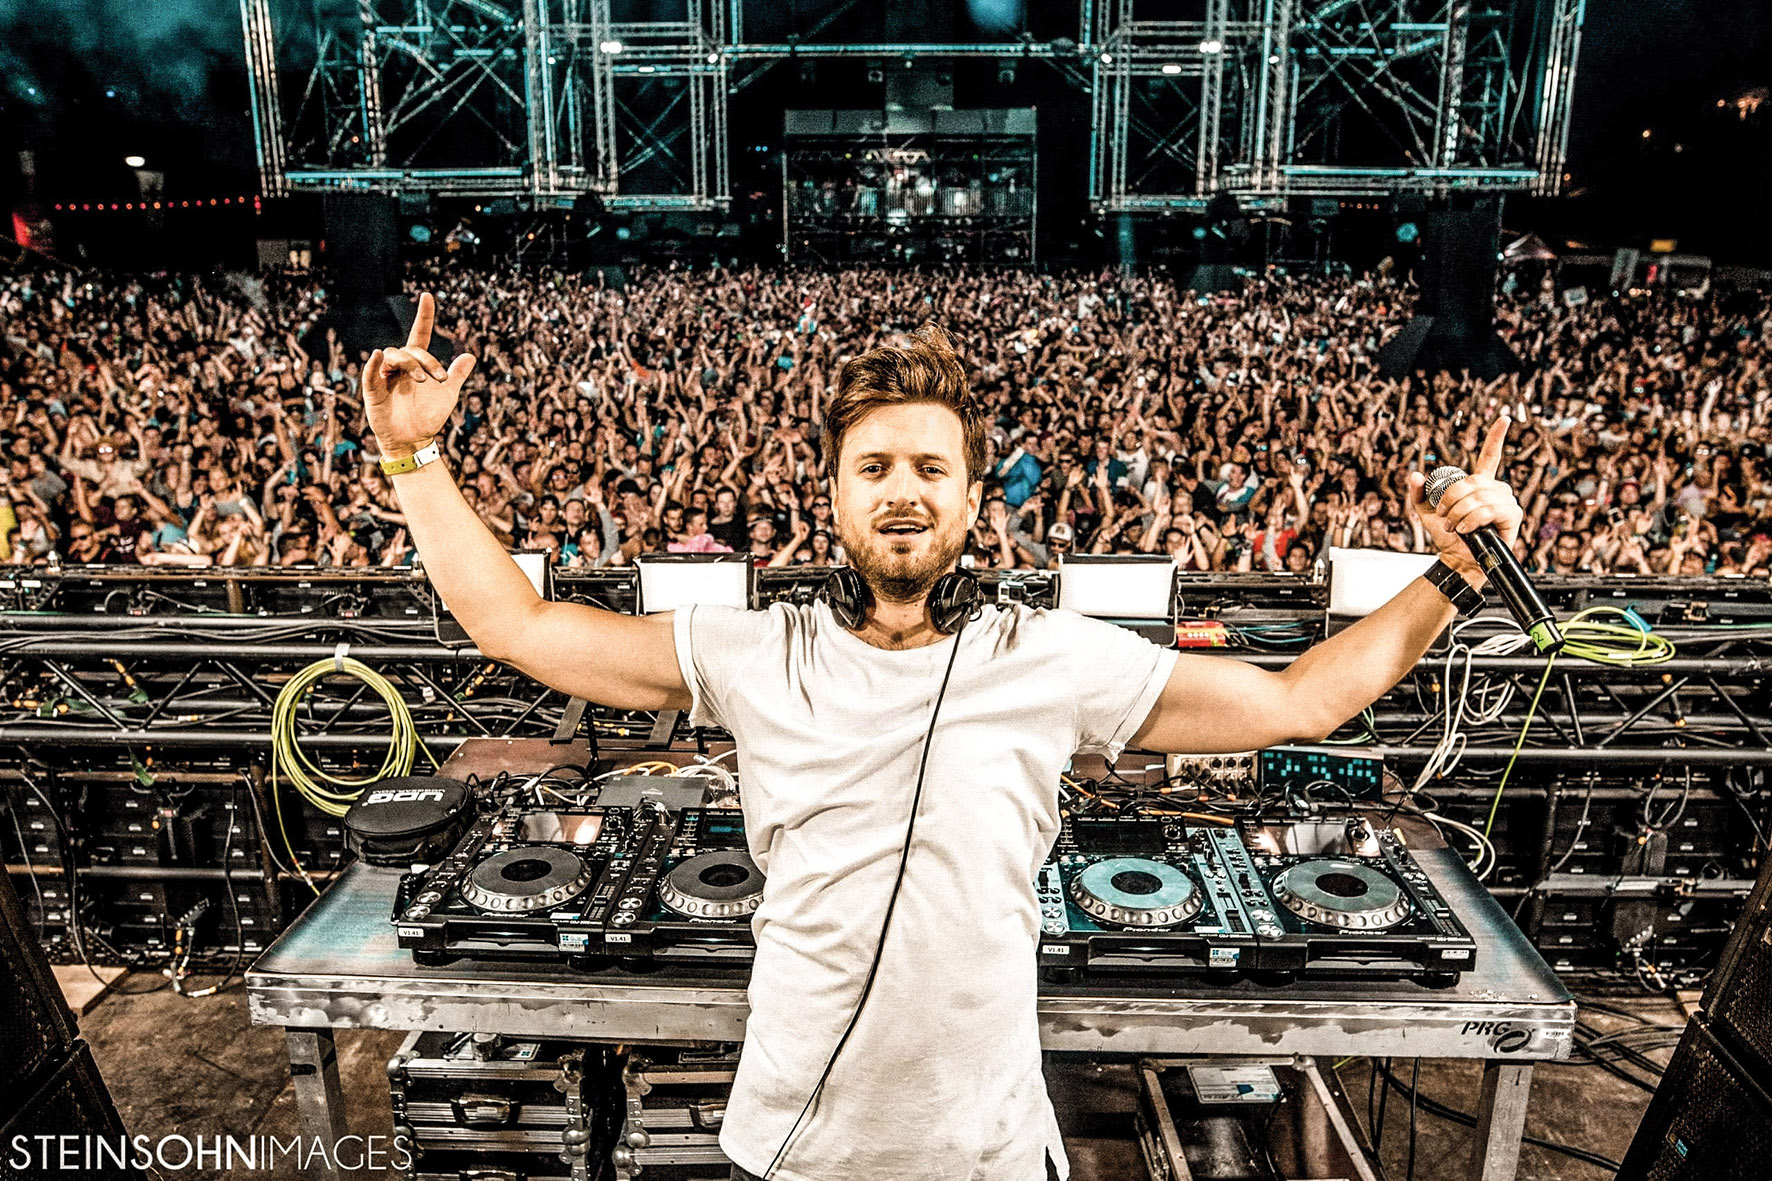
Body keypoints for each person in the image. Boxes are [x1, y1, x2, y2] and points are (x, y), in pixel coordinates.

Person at [367, 294, 1523, 1181]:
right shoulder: (752, 651)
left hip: (987, 1146)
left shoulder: (1048, 655)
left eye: (932, 467)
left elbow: (1297, 702)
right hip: (796, 1140)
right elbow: (517, 625)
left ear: (973, 501)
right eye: (872, 467)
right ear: (832, 497)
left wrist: (1451, 578)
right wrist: (414, 460)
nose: (902, 490)